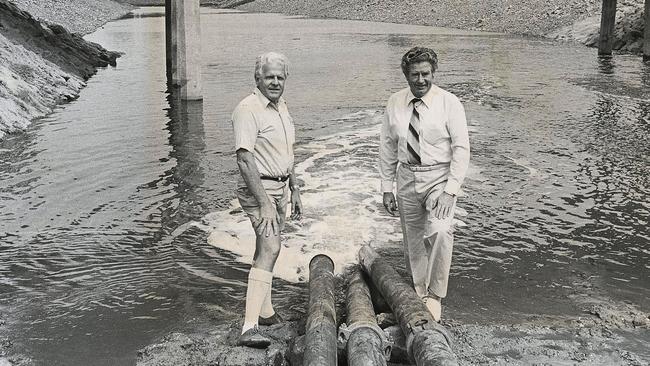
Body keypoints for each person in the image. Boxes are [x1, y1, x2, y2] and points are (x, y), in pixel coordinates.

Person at [379, 46, 470, 322]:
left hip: (439, 177)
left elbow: (462, 149)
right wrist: (386, 186)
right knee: (414, 242)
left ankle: (435, 296)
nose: (421, 80)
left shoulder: (449, 103)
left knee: (441, 231)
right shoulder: (394, 103)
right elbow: (387, 146)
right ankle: (419, 294)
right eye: (415, 74)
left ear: (434, 73)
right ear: (406, 75)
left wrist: (450, 191)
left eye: (426, 73)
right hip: (406, 176)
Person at [231, 51, 302, 348]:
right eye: (269, 76)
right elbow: (244, 159)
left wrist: (295, 188)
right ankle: (249, 327)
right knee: (271, 247)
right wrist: (263, 203)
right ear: (257, 78)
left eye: (280, 77)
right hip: (259, 189)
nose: (275, 82)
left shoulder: (281, 106)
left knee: (266, 248)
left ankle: (266, 310)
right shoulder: (248, 109)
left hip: (281, 187)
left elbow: (287, 152)